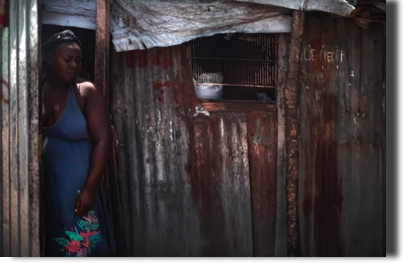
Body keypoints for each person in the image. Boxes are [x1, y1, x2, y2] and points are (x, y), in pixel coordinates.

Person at [42, 30, 116, 257]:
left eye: (78, 59)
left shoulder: (86, 92)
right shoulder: (35, 90)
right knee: (54, 243)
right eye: (68, 59)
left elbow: (103, 140)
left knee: (84, 247)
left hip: (79, 189)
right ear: (49, 58)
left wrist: (90, 188)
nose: (74, 65)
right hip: (49, 187)